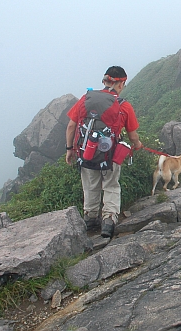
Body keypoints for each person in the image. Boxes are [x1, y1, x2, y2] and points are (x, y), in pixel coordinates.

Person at [65, 66, 142, 238]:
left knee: (90, 185)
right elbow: (132, 135)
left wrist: (69, 149)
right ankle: (108, 221)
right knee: (111, 185)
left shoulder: (86, 99)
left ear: (105, 81)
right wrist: (137, 145)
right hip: (110, 156)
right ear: (121, 83)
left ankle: (91, 219)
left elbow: (71, 126)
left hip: (86, 153)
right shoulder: (124, 106)